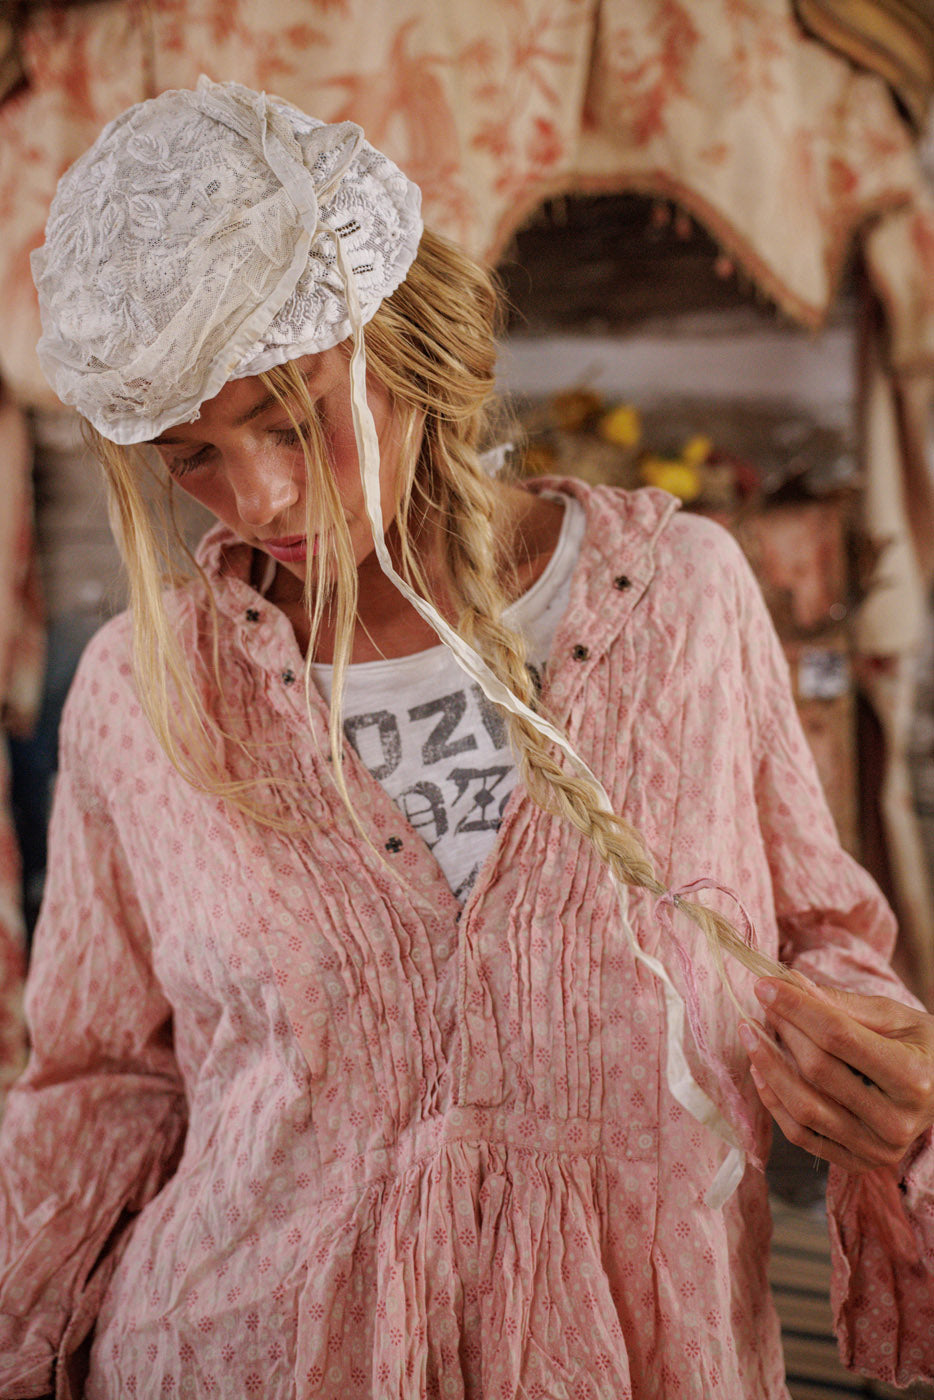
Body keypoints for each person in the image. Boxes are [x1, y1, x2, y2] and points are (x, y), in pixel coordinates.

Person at [0, 76, 933, 1400]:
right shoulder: (142, 694)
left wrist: (879, 1071)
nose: (257, 493)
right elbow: (99, 1086)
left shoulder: (679, 600)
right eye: (192, 455)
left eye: (288, 416)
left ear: (404, 342)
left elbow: (814, 943)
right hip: (238, 1355)